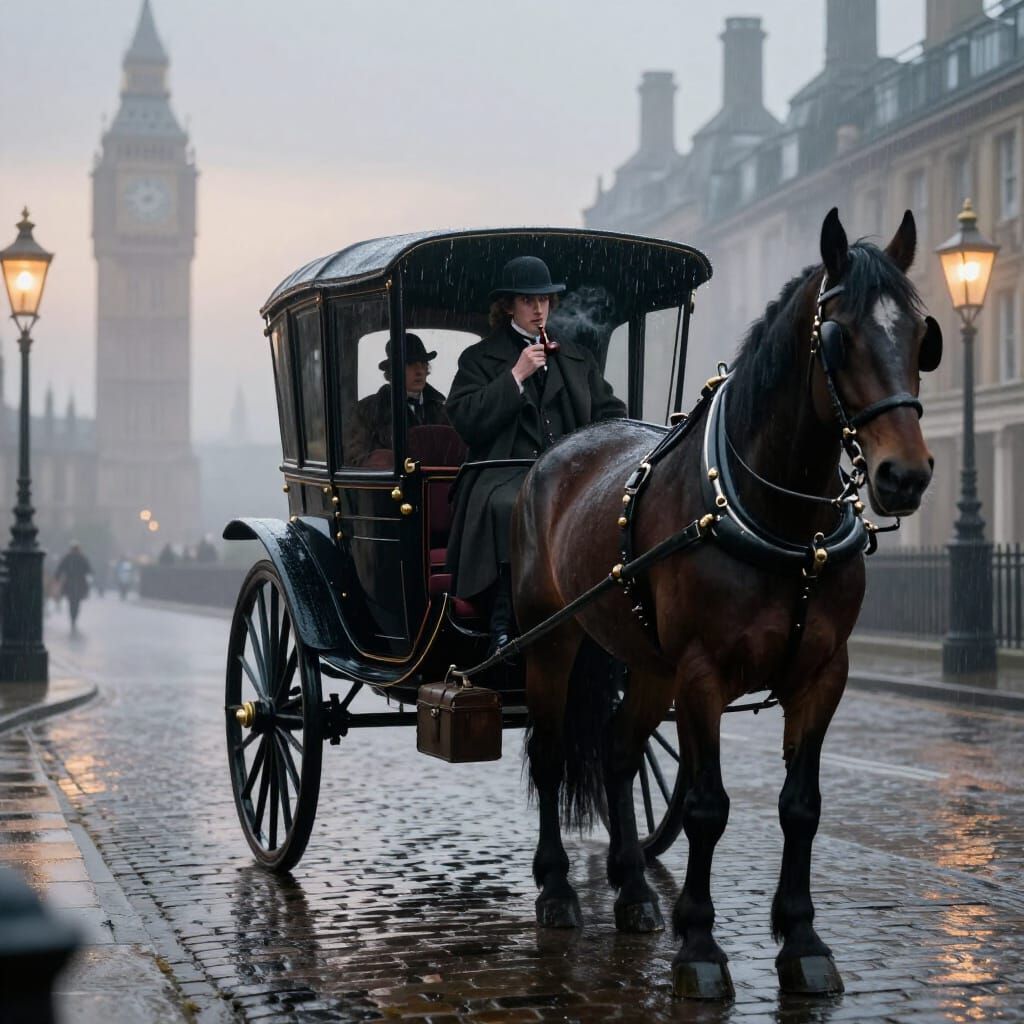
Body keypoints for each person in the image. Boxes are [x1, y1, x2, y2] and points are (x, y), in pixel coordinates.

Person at [446, 256, 626, 654]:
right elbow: (466, 420)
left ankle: (604, 610)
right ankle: (502, 618)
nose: (539, 309)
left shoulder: (577, 357)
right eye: (528, 301)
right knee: (516, 506)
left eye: (544, 300)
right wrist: (516, 376)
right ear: (508, 306)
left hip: (570, 475)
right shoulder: (479, 359)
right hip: (500, 474)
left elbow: (612, 414)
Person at [347, 333, 450, 465]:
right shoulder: (368, 411)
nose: (419, 371)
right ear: (393, 370)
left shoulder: (442, 410)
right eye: (410, 363)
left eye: (423, 363)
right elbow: (356, 458)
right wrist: (385, 462)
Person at [55, 541, 92, 633]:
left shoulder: (69, 557)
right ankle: (73, 619)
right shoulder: (80, 558)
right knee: (75, 603)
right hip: (78, 584)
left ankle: (73, 619)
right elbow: (89, 570)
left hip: (71, 584)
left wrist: (57, 577)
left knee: (72, 603)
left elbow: (60, 569)